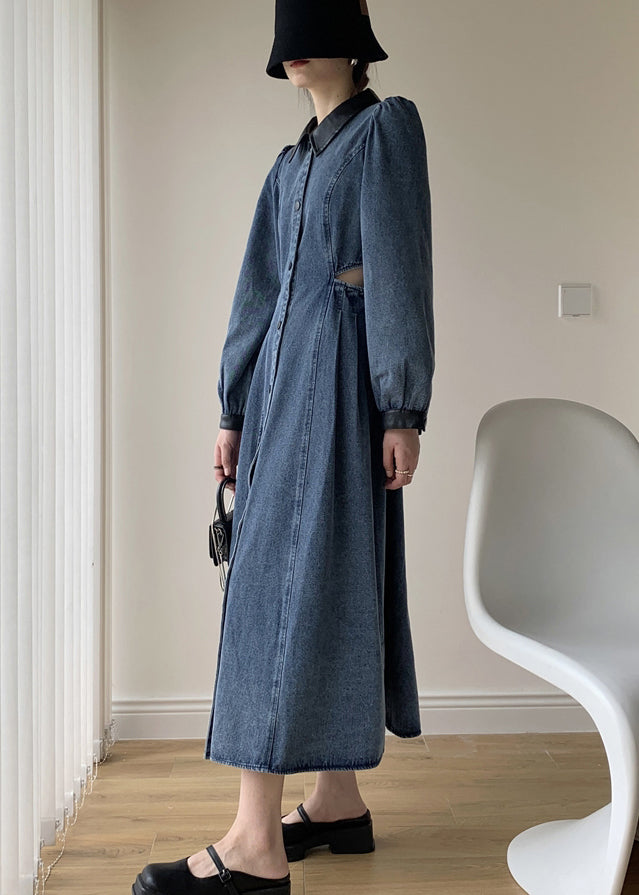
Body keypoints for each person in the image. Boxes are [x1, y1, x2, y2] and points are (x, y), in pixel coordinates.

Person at [132, 1, 434, 893]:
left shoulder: (384, 130)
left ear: (351, 38)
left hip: (339, 385)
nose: (294, 51)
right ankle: (335, 800)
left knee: (285, 587)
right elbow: (255, 293)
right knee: (313, 574)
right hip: (276, 391)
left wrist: (402, 406)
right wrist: (231, 409)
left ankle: (254, 844)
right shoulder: (289, 163)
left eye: (311, 27)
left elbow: (400, 270)